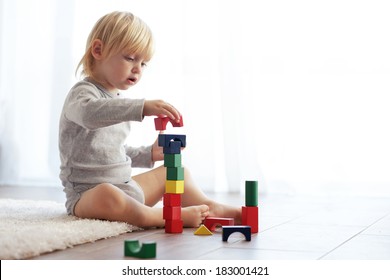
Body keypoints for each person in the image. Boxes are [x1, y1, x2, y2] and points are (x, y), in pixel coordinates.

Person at [59, 11, 241, 229]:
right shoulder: (82, 95)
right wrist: (142, 107)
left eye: (143, 63)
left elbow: (110, 152)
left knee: (176, 172)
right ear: (98, 50)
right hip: (88, 196)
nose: (137, 69)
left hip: (126, 188)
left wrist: (148, 154)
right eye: (130, 58)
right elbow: (90, 115)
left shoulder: (117, 101)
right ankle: (158, 217)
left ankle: (209, 207)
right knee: (107, 194)